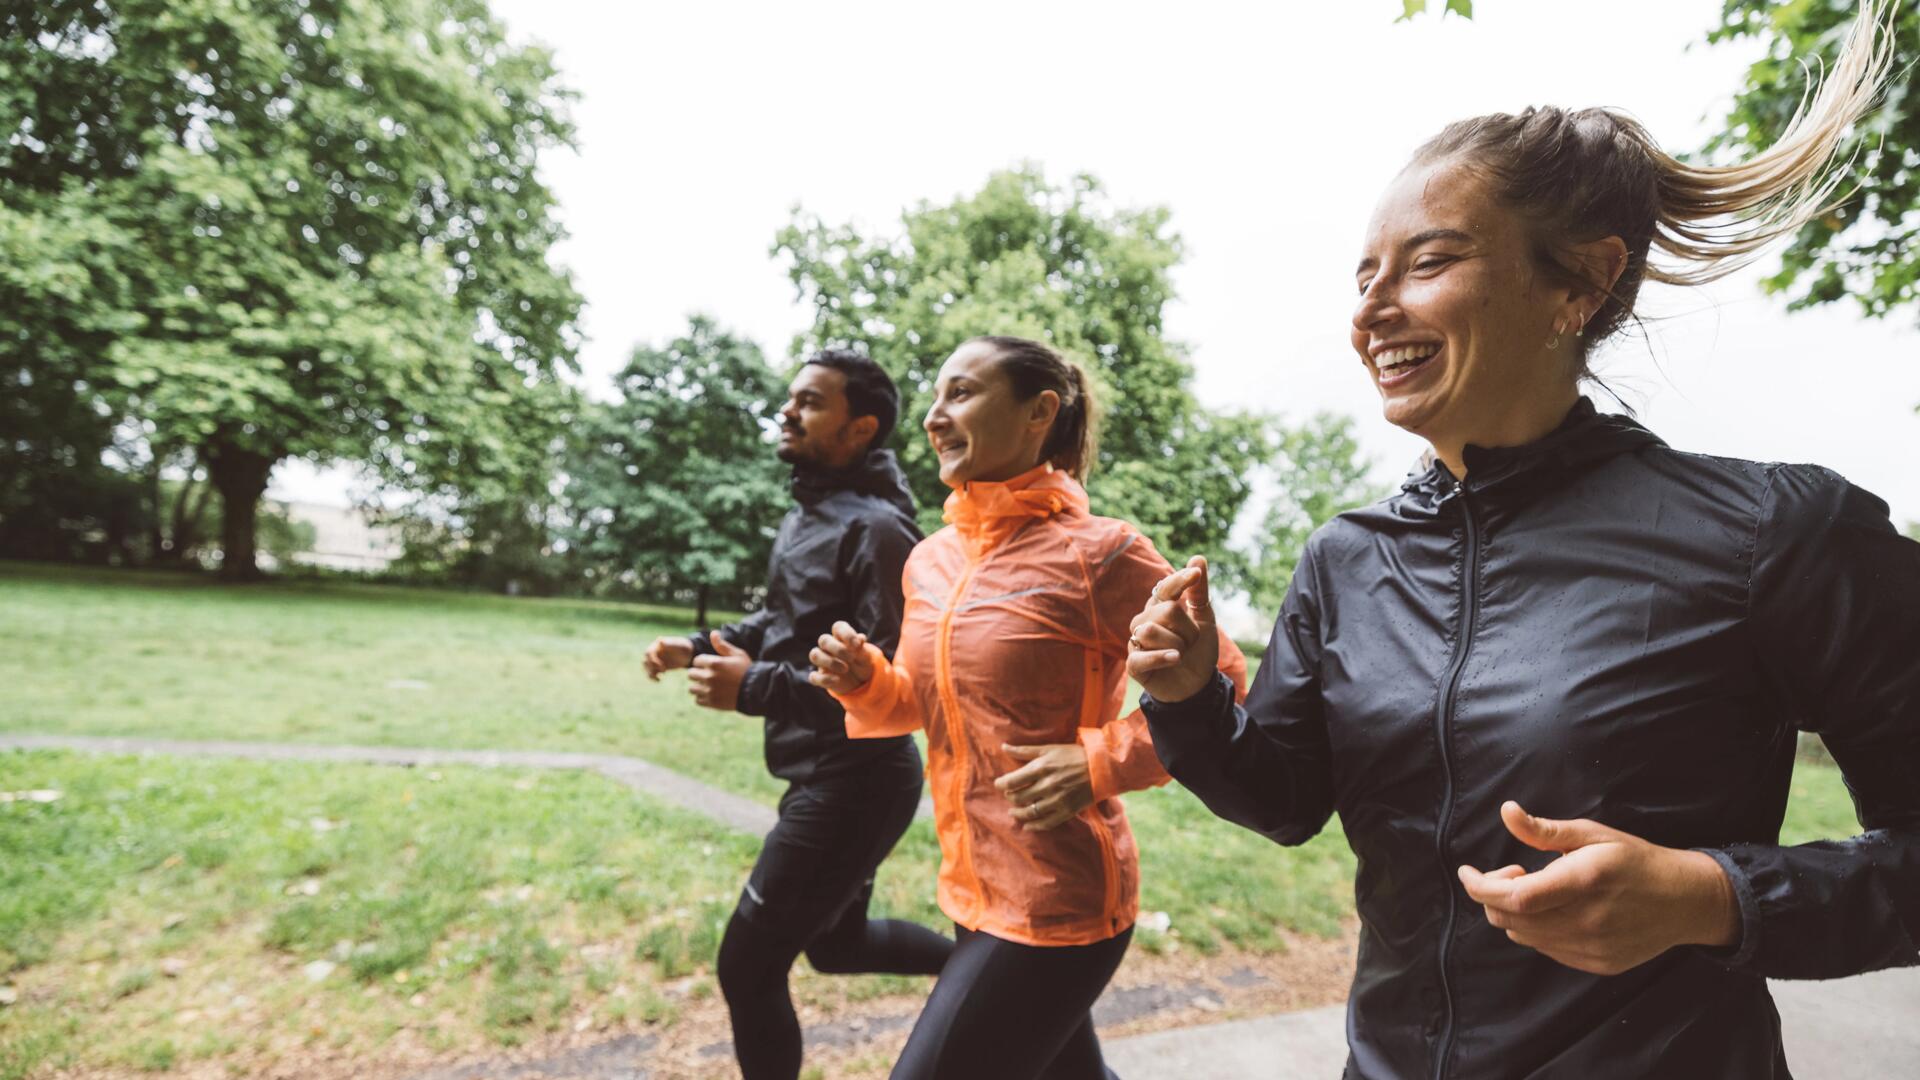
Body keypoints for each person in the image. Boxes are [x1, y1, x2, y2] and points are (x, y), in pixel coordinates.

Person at [1129, 4, 1917, 1077]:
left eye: (1428, 261)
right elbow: (1286, 799)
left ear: (1580, 283)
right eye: (1364, 275)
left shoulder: (1777, 533)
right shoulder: (1347, 560)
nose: (1372, 310)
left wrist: (1713, 898)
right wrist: (1185, 700)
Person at [809, 335, 1249, 1080]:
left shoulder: (1101, 553)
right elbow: (915, 702)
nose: (934, 416)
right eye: (935, 397)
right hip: (971, 887)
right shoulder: (932, 560)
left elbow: (1228, 683)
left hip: (1061, 901)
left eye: (962, 393)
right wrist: (861, 681)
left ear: (1039, 411)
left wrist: (1100, 761)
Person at [643, 349, 952, 1080]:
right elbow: (783, 621)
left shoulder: (879, 531)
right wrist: (698, 646)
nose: (788, 411)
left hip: (859, 780)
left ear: (859, 429)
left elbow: (888, 679)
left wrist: (753, 689)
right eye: (792, 399)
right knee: (836, 948)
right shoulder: (808, 517)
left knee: (747, 966)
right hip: (818, 770)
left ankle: (988, 976)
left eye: (810, 402)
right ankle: (981, 969)